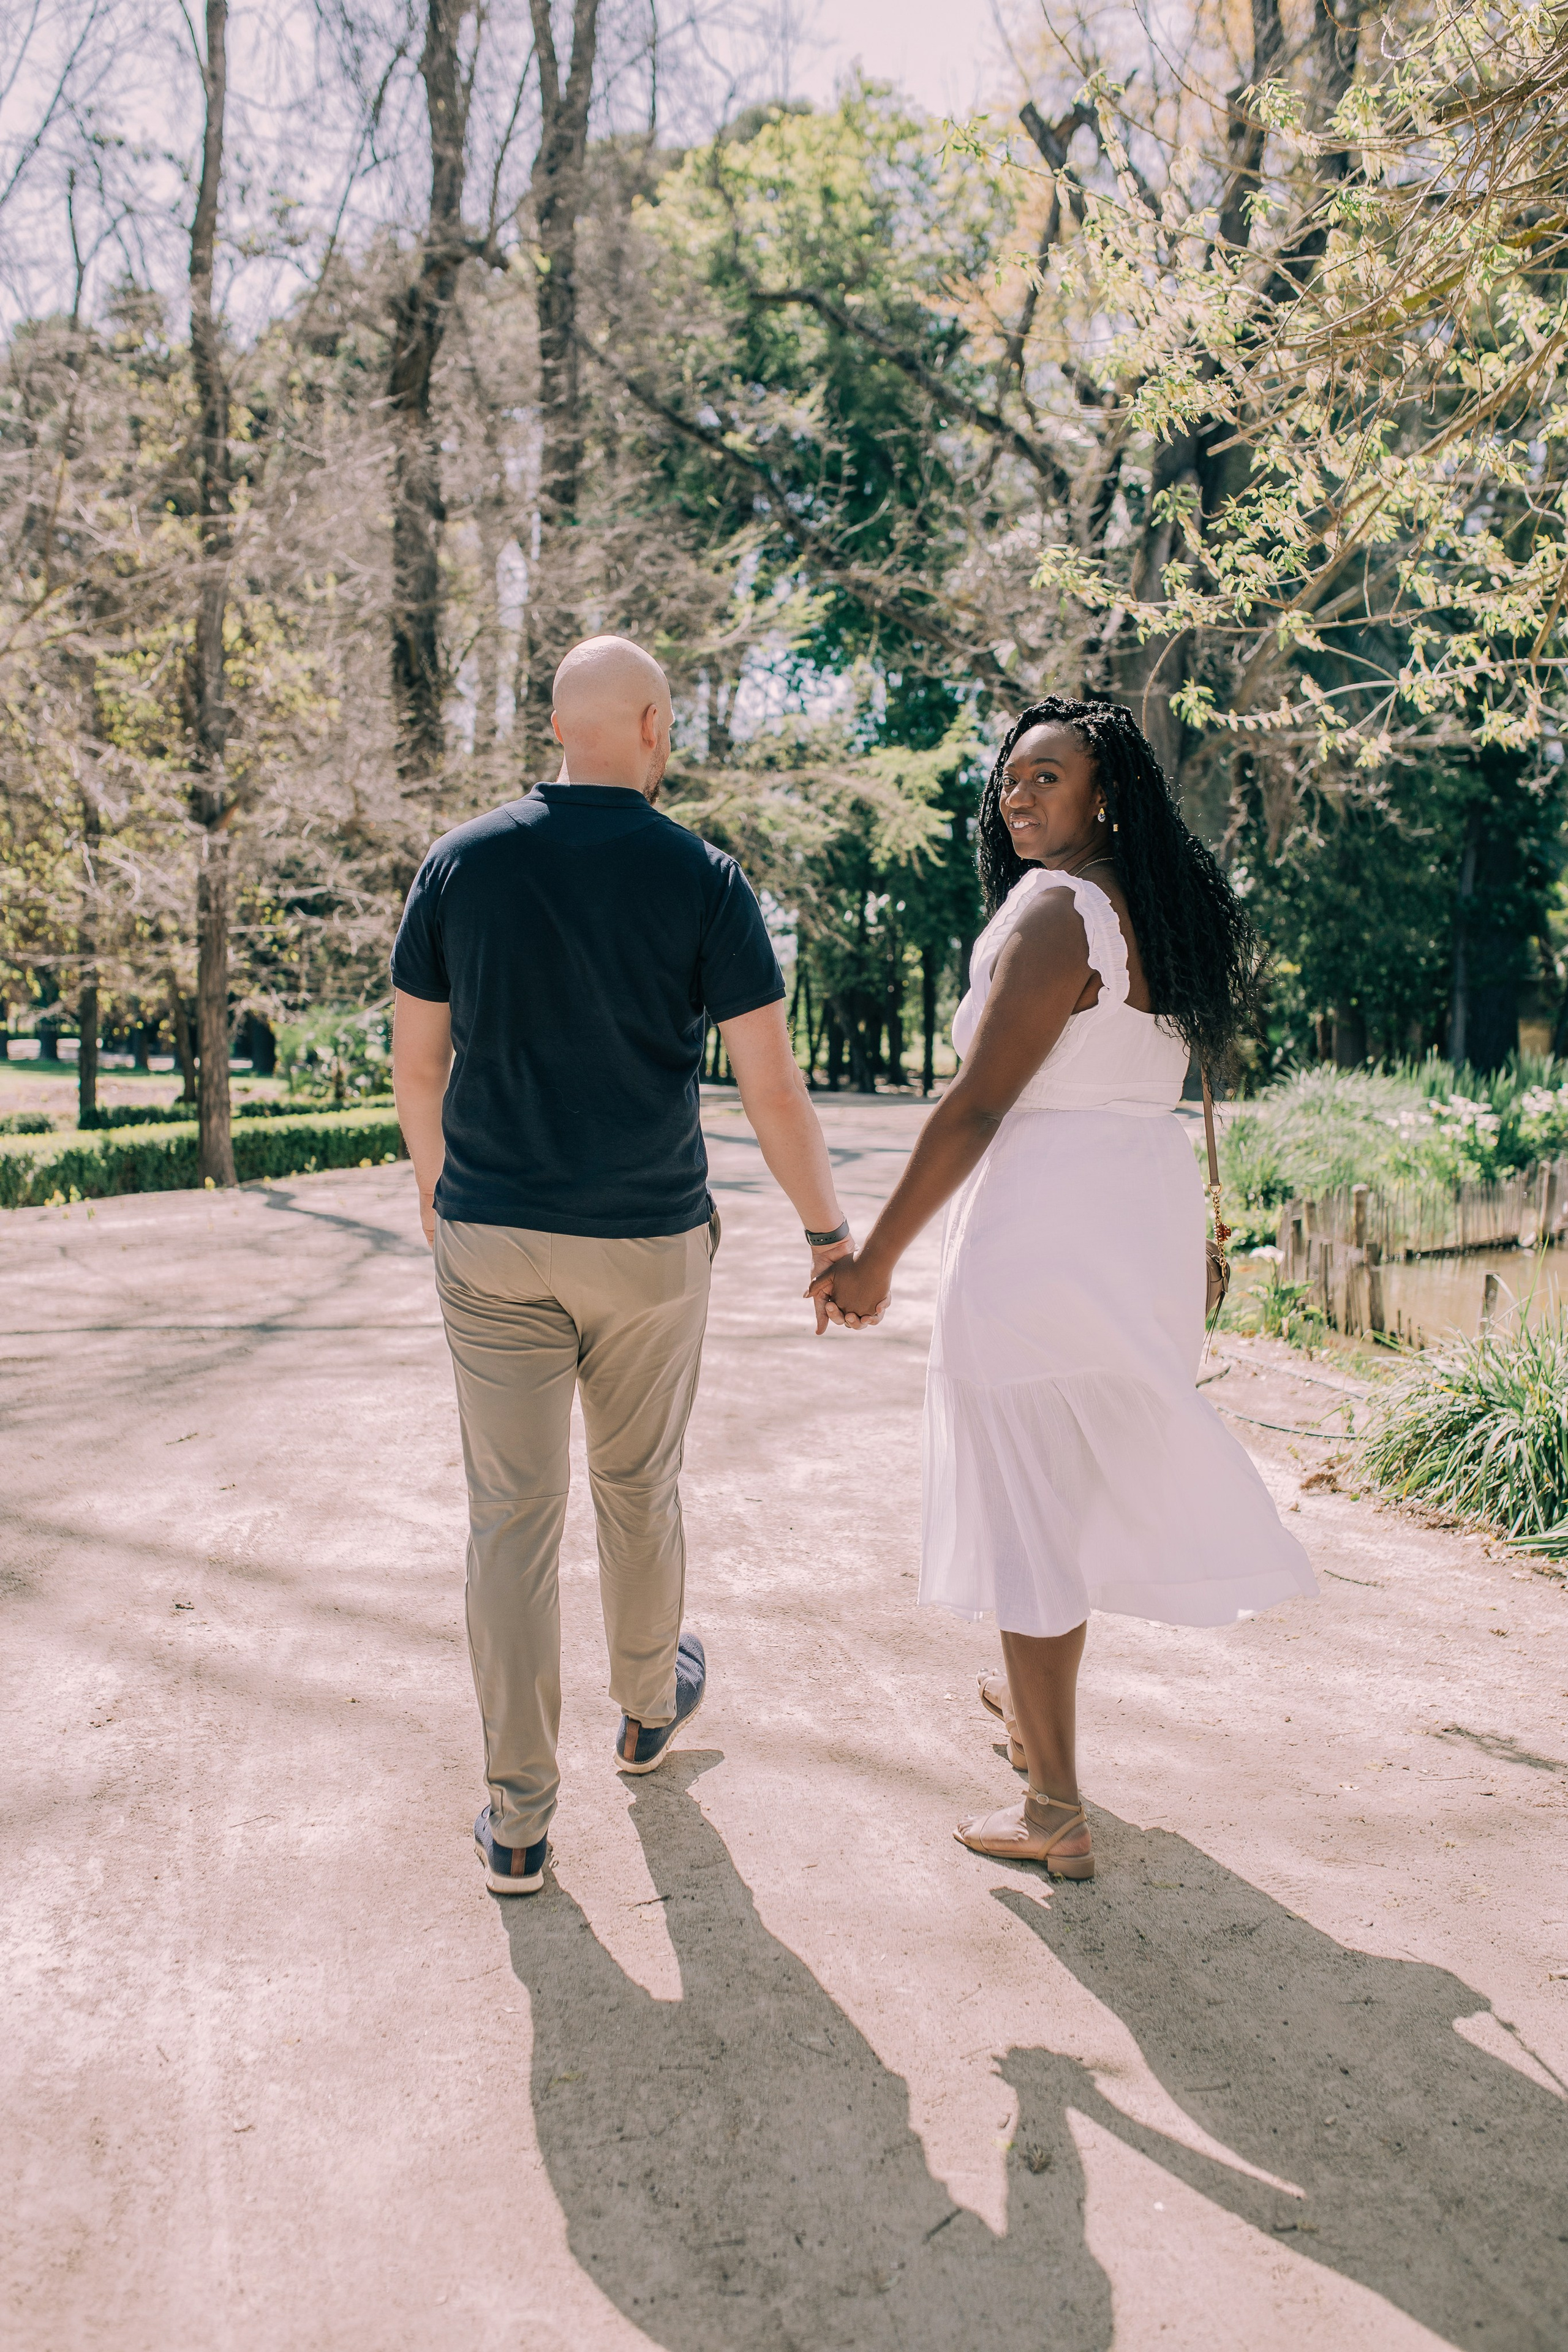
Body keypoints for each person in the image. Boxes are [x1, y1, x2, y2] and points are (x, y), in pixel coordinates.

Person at [812, 696, 1316, 1879]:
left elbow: (978, 1102)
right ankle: (1036, 1712)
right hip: (1133, 1231)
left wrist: (872, 1254)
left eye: (1047, 775)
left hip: (1039, 1238)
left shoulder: (1052, 912)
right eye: (1008, 779)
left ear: (1105, 793)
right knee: (1061, 1489)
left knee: (1029, 1510)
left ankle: (1054, 1810)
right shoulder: (1160, 917)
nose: (1017, 796)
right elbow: (1166, 1086)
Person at [392, 635, 853, 1894]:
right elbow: (770, 1087)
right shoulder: (701, 877)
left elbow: (417, 1064)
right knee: (637, 1485)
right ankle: (647, 1711)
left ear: (559, 729)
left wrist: (443, 1194)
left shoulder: (460, 864)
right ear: (649, 726)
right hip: (648, 1245)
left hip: (490, 1238)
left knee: (510, 1520)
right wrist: (826, 1234)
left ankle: (520, 1820)